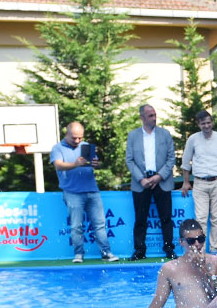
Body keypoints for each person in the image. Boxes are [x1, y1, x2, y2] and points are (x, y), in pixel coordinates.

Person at [50, 122, 120, 263]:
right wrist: (75, 164)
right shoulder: (58, 148)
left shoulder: (86, 146)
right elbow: (58, 165)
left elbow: (97, 164)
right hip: (72, 192)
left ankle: (106, 253)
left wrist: (96, 164)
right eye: (74, 138)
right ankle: (78, 254)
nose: (77, 141)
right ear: (66, 134)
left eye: (80, 138)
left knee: (99, 224)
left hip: (92, 190)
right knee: (77, 225)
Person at [143, 219, 217, 308]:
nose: (197, 244)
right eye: (191, 241)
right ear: (181, 242)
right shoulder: (169, 269)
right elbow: (157, 305)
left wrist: (203, 268)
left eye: (201, 239)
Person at [124, 104, 178, 261]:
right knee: (140, 219)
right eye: (150, 116)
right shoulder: (133, 136)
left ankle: (169, 249)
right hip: (141, 182)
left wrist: (159, 176)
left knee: (166, 218)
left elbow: (171, 158)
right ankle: (139, 250)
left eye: (155, 115)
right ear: (142, 117)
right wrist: (141, 178)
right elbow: (129, 160)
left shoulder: (165, 134)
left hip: (162, 180)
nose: (154, 118)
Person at [180, 110, 217, 256]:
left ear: (212, 122)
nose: (206, 125)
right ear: (198, 124)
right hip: (199, 182)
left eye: (209, 122)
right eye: (203, 123)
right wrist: (186, 182)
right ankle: (201, 251)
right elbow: (186, 161)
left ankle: (214, 250)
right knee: (201, 219)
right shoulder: (193, 139)